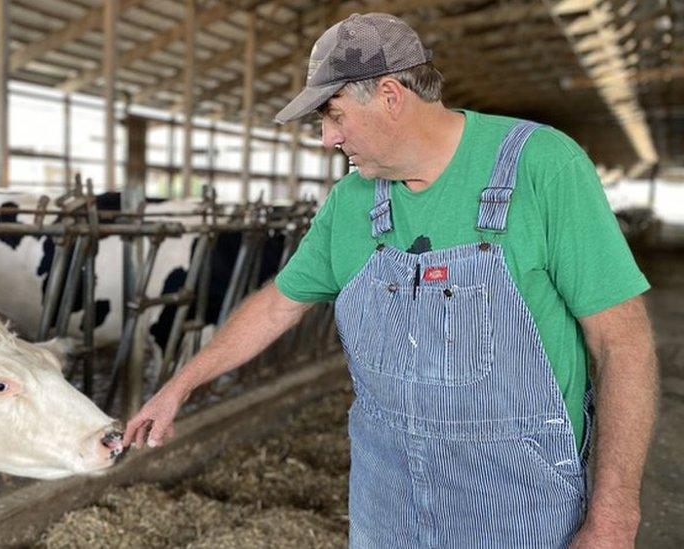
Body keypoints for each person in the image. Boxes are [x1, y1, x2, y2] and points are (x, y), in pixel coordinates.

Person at [124, 12, 657, 548]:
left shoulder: (542, 167)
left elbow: (623, 343)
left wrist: (613, 517)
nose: (328, 139)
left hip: (521, 502)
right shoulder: (351, 203)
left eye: (334, 116)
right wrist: (180, 385)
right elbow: (276, 306)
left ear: (389, 95)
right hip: (386, 501)